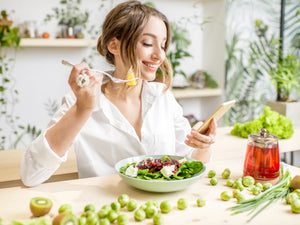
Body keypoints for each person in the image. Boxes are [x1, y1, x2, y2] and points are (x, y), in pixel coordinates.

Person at [20, 0, 217, 187]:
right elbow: (31, 175)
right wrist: (82, 109)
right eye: (148, 43)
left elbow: (189, 163)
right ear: (114, 45)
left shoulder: (162, 97)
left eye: (163, 45)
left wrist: (202, 145)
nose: (160, 55)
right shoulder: (81, 100)